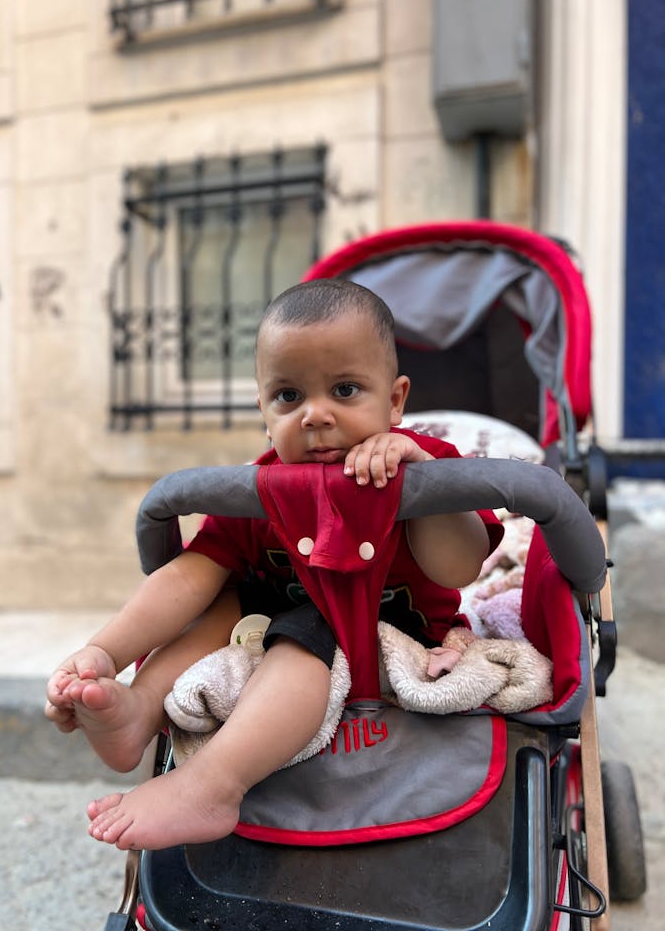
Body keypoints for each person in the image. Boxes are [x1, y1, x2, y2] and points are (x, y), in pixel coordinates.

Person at [45, 279, 501, 852]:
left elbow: (458, 568)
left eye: (345, 389)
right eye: (288, 396)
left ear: (394, 399)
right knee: (217, 603)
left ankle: (212, 785)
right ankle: (138, 710)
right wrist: (104, 652)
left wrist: (422, 482)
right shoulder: (259, 491)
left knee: (302, 632)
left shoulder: (424, 468)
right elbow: (188, 577)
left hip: (383, 635)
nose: (315, 414)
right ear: (263, 409)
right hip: (273, 625)